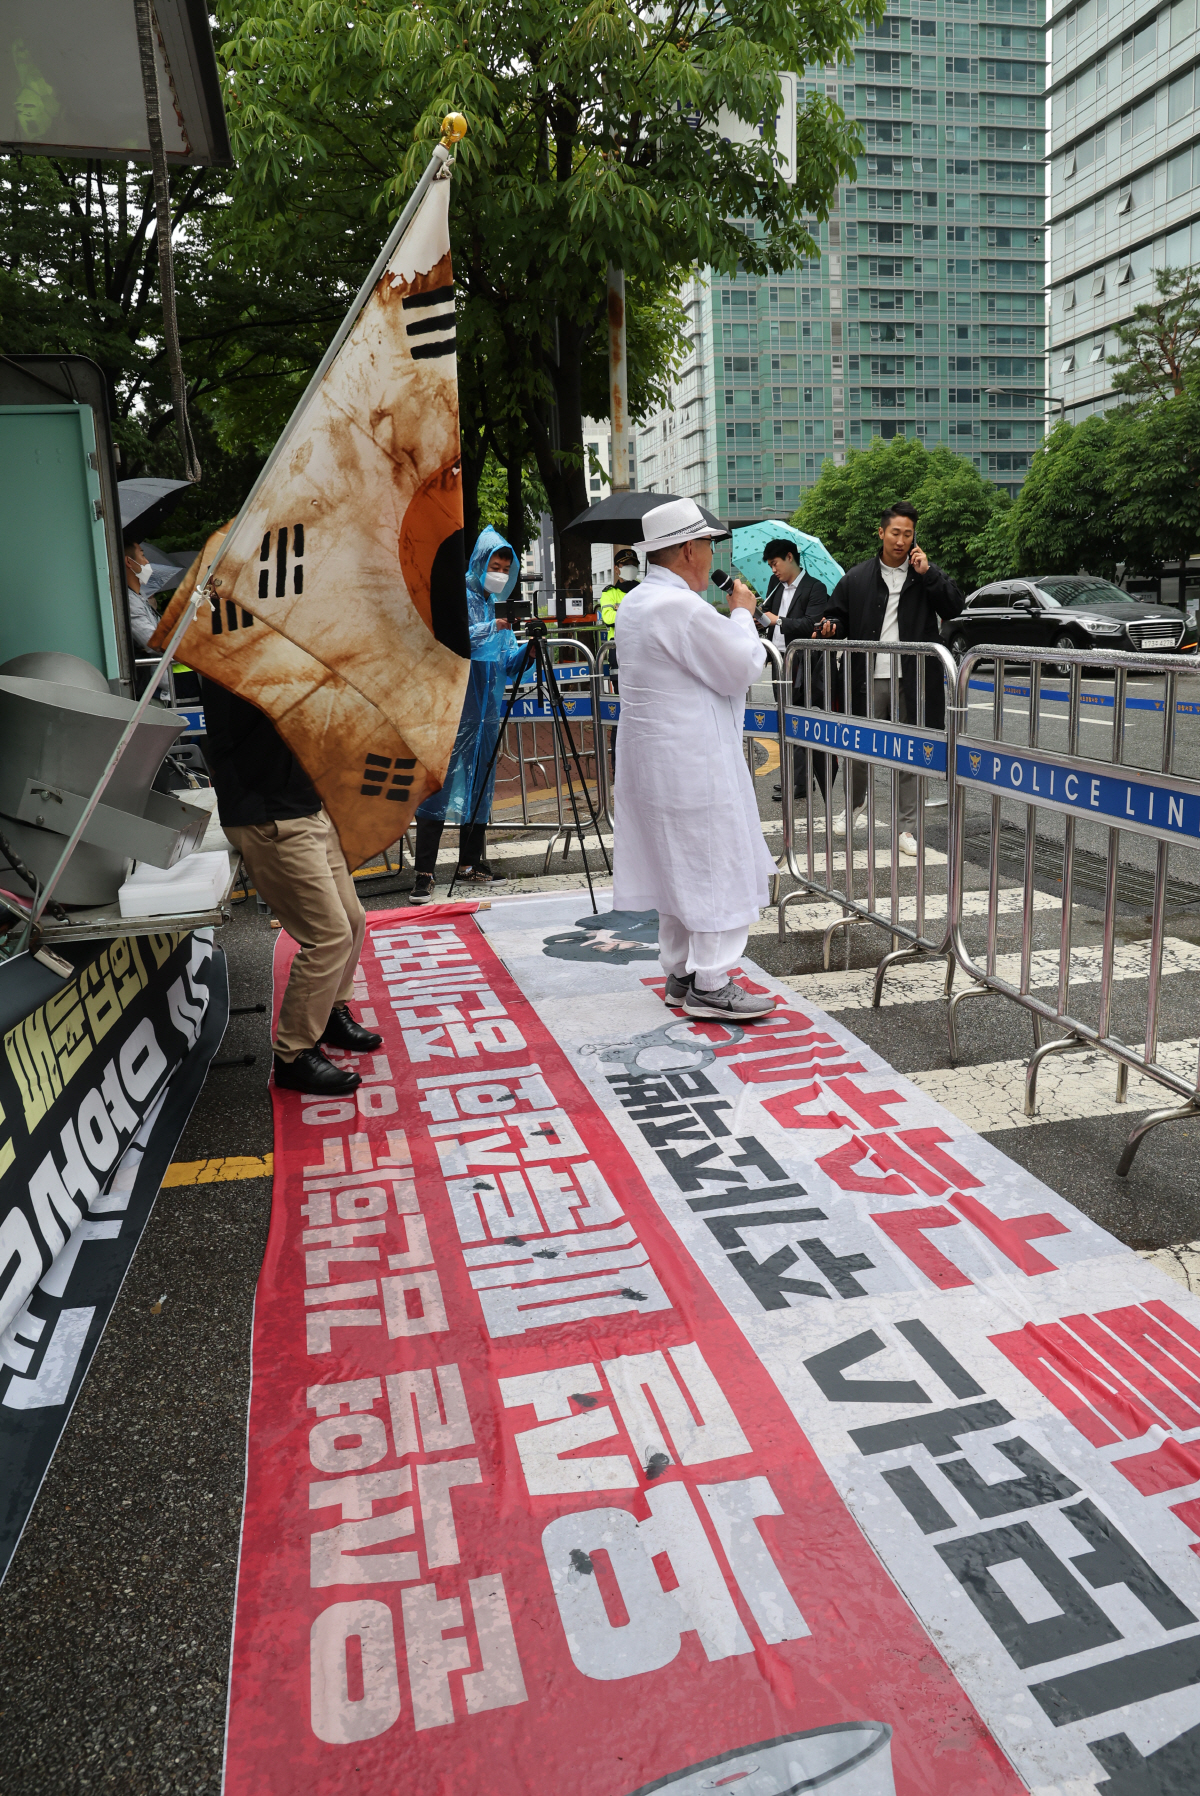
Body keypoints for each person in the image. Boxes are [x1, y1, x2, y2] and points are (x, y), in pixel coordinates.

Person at [612, 497, 777, 1022]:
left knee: (677, 865)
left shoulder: (638, 603)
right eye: (707, 544)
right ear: (688, 548)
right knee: (712, 864)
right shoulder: (678, 608)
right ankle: (713, 979)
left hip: (656, 760)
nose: (710, 556)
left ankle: (681, 970)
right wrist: (744, 615)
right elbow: (739, 667)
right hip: (692, 760)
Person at [200, 676, 382, 1096]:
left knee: (352, 920)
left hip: (306, 805)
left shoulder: (277, 643)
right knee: (327, 936)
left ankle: (331, 1011)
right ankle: (293, 1055)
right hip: (269, 814)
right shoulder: (233, 655)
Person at [823, 501, 963, 857]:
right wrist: (831, 626)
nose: (901, 540)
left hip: (913, 678)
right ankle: (854, 807)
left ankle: (907, 829)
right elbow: (836, 617)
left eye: (908, 534)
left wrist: (929, 573)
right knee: (857, 747)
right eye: (895, 532)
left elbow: (955, 607)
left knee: (911, 752)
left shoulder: (924, 575)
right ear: (882, 532)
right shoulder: (856, 577)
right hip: (867, 677)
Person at [410, 527, 528, 902]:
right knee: (439, 788)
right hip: (453, 710)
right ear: (480, 562)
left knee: (481, 787)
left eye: (506, 569)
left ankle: (469, 863)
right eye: (495, 565)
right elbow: (449, 637)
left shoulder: (494, 606)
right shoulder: (457, 595)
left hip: (485, 713)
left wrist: (529, 648)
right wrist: (490, 628)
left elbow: (508, 665)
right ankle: (424, 872)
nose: (500, 573)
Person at [757, 538, 838, 808]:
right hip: (778, 660)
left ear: (789, 557)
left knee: (798, 719)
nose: (773, 570)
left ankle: (801, 783)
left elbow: (809, 624)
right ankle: (795, 775)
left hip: (801, 662)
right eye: (770, 565)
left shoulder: (815, 588)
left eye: (775, 563)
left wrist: (777, 619)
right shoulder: (774, 587)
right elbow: (768, 618)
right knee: (783, 717)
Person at [599, 550, 641, 641]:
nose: (631, 567)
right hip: (617, 644)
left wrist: (621, 610)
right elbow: (608, 619)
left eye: (633, 564)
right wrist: (637, 612)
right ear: (616, 568)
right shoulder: (609, 593)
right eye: (626, 564)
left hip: (641, 642)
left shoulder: (645, 589)